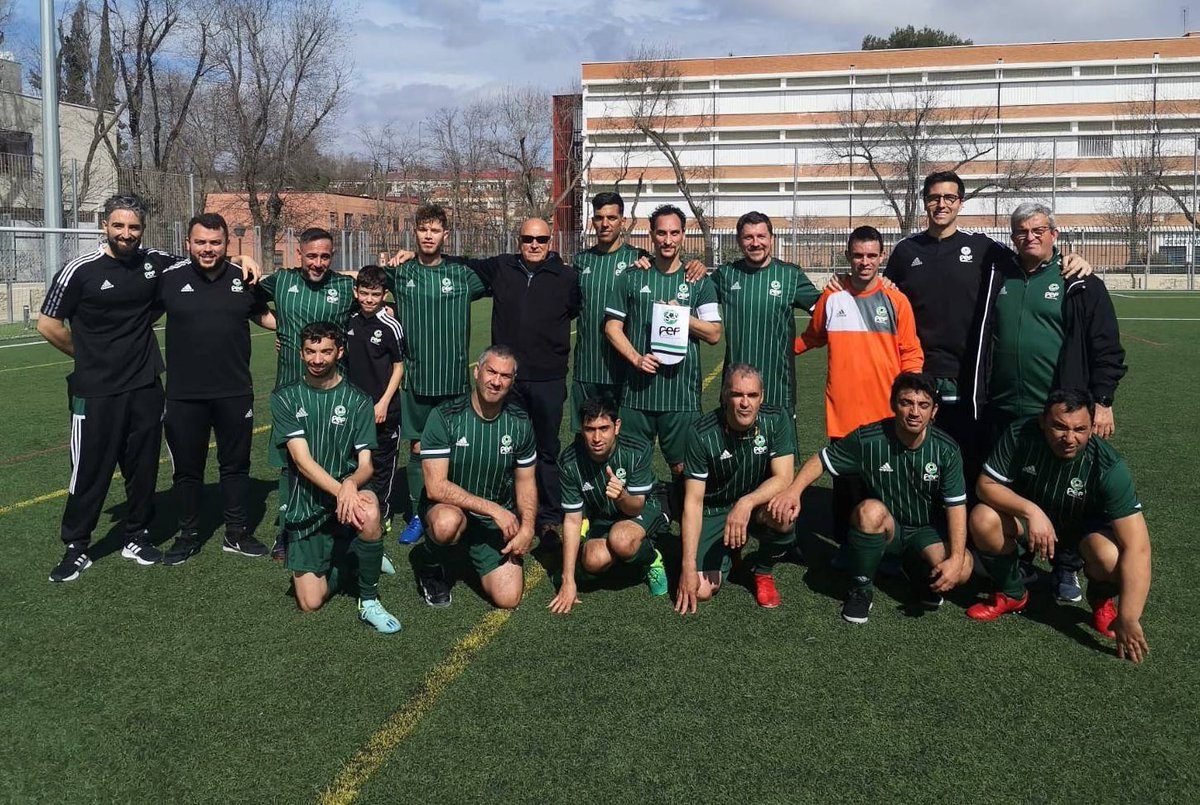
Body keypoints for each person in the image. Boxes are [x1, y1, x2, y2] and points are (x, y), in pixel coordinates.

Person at [38, 194, 256, 581]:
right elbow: (48, 325)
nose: (126, 233)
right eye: (119, 226)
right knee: (90, 467)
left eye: (134, 227)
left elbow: (205, 259)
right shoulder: (80, 269)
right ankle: (77, 545)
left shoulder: (155, 263)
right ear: (104, 226)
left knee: (142, 468)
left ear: (142, 229)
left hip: (145, 383)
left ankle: (136, 535)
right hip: (96, 387)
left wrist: (243, 260)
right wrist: (88, 356)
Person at [966, 202, 1127, 602]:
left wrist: (1102, 401)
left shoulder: (1078, 281)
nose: (1030, 237)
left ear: (1054, 234)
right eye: (1021, 231)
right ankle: (1018, 565)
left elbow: (1106, 347)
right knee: (1012, 486)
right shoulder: (1000, 274)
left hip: (1057, 413)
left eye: (1038, 230)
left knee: (1064, 494)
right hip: (1003, 406)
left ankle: (1066, 568)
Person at [884, 171, 1093, 469]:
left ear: (960, 203)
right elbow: (882, 295)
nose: (941, 204)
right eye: (934, 198)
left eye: (949, 197)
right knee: (915, 454)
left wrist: (1069, 258)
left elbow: (1030, 255)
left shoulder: (983, 249)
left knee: (965, 455)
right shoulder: (906, 251)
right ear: (924, 202)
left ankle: (962, 512)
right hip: (918, 369)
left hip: (968, 375)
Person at [768, 373, 973, 624]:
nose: (914, 412)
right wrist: (793, 492)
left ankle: (916, 570)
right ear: (892, 404)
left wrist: (956, 559)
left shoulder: (946, 449)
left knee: (963, 568)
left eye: (923, 405)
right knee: (869, 511)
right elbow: (822, 459)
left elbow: (956, 506)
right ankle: (861, 588)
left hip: (925, 531)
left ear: (934, 411)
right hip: (887, 528)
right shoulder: (870, 439)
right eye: (906, 402)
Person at [966, 389, 1150, 663]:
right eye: (1060, 427)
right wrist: (1032, 511)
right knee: (983, 519)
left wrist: (1130, 616)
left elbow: (1138, 547)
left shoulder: (1109, 466)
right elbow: (986, 486)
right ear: (1043, 422)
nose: (1069, 438)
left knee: (1110, 557)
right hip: (1033, 525)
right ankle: (1012, 592)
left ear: (1091, 427)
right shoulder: (1021, 434)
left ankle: (1102, 603)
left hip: (1082, 536)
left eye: (1080, 429)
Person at [447, 218, 581, 549]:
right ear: (518, 240)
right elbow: (462, 263)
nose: (534, 244)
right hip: (506, 380)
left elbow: (575, 310)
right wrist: (417, 256)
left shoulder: (567, 277)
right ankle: (509, 512)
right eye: (527, 238)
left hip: (548, 379)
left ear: (551, 241)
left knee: (546, 450)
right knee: (506, 448)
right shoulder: (502, 267)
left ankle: (549, 520)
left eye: (541, 239)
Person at [159, 212, 276, 565]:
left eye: (215, 243)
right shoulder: (168, 279)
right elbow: (138, 315)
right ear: (188, 245)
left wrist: (295, 331)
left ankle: (237, 533)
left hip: (235, 391)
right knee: (187, 469)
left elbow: (264, 315)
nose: (208, 249)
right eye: (201, 243)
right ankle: (188, 534)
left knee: (235, 465)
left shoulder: (244, 278)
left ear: (227, 244)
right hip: (184, 395)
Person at [794, 225, 923, 545]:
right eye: (857, 255)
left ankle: (888, 549)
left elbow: (911, 353)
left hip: (885, 412)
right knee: (846, 489)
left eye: (870, 255)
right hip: (844, 413)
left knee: (885, 487)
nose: (864, 262)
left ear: (882, 257)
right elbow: (813, 336)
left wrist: (911, 398)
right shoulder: (833, 296)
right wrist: (781, 350)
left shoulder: (896, 300)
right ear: (847, 257)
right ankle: (844, 547)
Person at [269, 321, 401, 633]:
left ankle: (368, 601)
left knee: (370, 511)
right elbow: (302, 462)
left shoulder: (357, 400)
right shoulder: (286, 398)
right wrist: (342, 490)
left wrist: (351, 485)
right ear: (301, 354)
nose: (317, 359)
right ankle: (353, 558)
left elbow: (367, 464)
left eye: (325, 351)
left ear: (339, 352)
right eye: (310, 352)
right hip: (306, 504)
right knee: (310, 603)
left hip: (348, 496)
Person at [604, 204, 722, 516]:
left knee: (683, 467)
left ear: (683, 235)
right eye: (661, 233)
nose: (667, 240)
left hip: (680, 396)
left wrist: (682, 317)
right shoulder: (632, 277)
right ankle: (630, 529)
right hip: (637, 394)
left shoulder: (699, 280)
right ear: (651, 235)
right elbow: (612, 327)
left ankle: (686, 530)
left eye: (674, 233)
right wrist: (635, 358)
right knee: (628, 463)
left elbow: (713, 334)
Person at [383, 204, 488, 546]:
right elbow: (362, 286)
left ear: (446, 235)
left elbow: (504, 277)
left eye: (435, 230)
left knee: (455, 448)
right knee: (416, 449)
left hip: (454, 381)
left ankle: (457, 508)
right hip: (415, 379)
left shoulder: (463, 276)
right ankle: (417, 512)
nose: (428, 235)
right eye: (423, 229)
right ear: (414, 232)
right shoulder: (399, 273)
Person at [413, 345, 538, 610]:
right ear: (476, 371)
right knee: (447, 524)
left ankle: (474, 553)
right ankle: (430, 563)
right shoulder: (445, 416)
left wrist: (527, 528)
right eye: (491, 372)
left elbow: (526, 481)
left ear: (512, 381)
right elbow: (436, 488)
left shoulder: (520, 421)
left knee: (508, 598)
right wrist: (494, 510)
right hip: (449, 508)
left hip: (493, 520)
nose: (496, 381)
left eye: (505, 376)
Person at [259, 227, 357, 559]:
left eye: (325, 256)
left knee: (336, 459)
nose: (317, 262)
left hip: (335, 394)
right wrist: (281, 326)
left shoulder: (345, 286)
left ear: (333, 256)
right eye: (311, 255)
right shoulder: (281, 282)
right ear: (299, 253)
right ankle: (288, 529)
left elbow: (378, 294)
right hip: (290, 390)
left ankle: (339, 522)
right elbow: (245, 300)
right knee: (291, 465)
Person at [675, 365, 796, 613]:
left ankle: (762, 571)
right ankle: (730, 552)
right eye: (737, 395)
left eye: (752, 395)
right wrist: (687, 566)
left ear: (761, 397)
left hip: (754, 503)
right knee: (701, 590)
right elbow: (694, 502)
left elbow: (784, 478)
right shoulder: (701, 433)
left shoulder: (776, 419)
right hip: (713, 507)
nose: (744, 403)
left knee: (784, 514)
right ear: (724, 396)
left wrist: (747, 503)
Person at [548, 397, 670, 614]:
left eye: (604, 428)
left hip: (643, 504)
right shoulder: (569, 462)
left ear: (617, 427)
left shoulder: (637, 450)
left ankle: (652, 559)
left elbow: (635, 507)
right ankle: (630, 561)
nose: (596, 437)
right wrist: (568, 580)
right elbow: (573, 519)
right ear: (581, 429)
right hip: (605, 514)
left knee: (621, 539)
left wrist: (622, 496)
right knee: (593, 559)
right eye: (589, 429)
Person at [709, 211, 820, 413]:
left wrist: (803, 343)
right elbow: (694, 296)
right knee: (734, 444)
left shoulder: (790, 275)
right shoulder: (725, 275)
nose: (755, 243)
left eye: (761, 236)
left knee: (782, 445)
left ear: (772, 239)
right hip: (736, 388)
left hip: (779, 387)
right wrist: (694, 268)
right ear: (739, 241)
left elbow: (826, 312)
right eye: (748, 237)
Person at [569, 192, 647, 428]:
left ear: (622, 221)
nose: (605, 224)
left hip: (625, 370)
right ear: (592, 221)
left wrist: (693, 265)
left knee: (624, 438)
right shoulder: (580, 261)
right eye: (599, 217)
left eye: (612, 217)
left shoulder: (639, 260)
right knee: (586, 438)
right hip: (587, 368)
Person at [343, 265, 405, 536]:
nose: (369, 299)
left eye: (375, 294)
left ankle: (383, 511)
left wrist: (383, 402)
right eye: (364, 293)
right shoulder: (351, 320)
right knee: (355, 461)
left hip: (384, 410)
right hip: (355, 408)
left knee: (381, 464)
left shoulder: (391, 325)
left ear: (384, 295)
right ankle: (353, 509)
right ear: (356, 293)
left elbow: (399, 367)